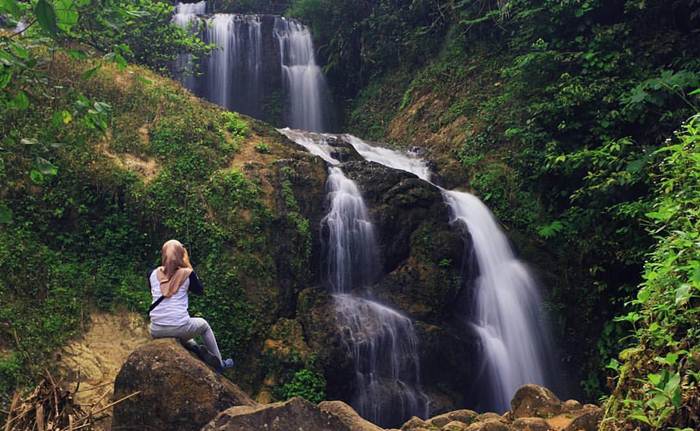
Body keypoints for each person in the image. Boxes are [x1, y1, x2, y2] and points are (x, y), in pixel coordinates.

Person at [147, 239, 234, 371]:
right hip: (179, 326)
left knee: (179, 330)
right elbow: (199, 290)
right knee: (204, 325)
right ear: (181, 255)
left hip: (156, 330)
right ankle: (220, 364)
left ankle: (193, 346)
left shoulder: (152, 274)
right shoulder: (187, 275)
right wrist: (187, 263)